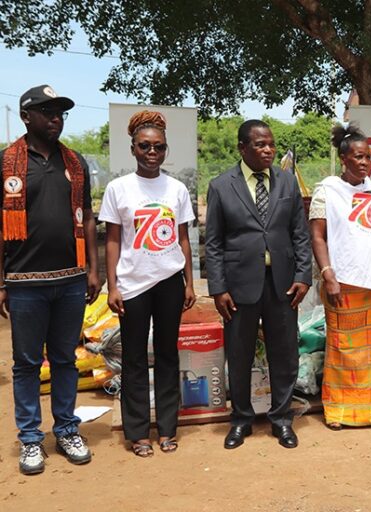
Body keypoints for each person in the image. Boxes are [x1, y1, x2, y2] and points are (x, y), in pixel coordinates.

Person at [0, 85, 99, 475]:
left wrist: (93, 268)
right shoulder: (8, 162)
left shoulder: (74, 163)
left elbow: (88, 217)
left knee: (64, 360)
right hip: (24, 282)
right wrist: (2, 282)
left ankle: (66, 429)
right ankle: (29, 439)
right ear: (27, 117)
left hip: (72, 280)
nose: (55, 117)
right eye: (46, 111)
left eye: (59, 111)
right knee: (26, 364)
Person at [205, 119, 312, 449]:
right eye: (260, 145)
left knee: (285, 354)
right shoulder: (222, 186)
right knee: (239, 355)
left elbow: (300, 234)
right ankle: (241, 420)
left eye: (271, 144)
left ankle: (281, 419)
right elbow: (214, 243)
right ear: (242, 147)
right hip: (238, 286)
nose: (268, 150)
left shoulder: (287, 183)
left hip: (282, 283)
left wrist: (303, 276)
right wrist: (218, 288)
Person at [99, 110, 196, 457]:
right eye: (145, 146)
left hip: (169, 280)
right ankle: (138, 432)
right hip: (133, 285)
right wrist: (113, 286)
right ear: (133, 149)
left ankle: (168, 428)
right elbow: (112, 240)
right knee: (135, 359)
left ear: (166, 150)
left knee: (169, 354)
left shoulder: (177, 188)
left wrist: (188, 282)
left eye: (159, 147)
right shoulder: (118, 188)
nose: (152, 152)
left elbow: (183, 238)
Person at [309, 123, 371, 430]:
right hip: (344, 283)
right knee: (344, 349)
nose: (364, 163)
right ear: (344, 157)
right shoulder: (327, 190)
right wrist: (328, 275)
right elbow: (318, 237)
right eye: (358, 157)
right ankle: (340, 411)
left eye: (368, 157)